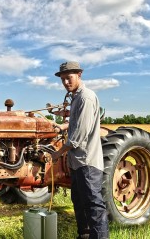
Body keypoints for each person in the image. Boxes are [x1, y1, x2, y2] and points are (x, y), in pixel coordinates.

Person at [52, 61, 109, 239]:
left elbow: (78, 136)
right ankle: (84, 236)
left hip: (87, 162)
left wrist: (57, 154)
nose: (66, 83)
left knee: (93, 205)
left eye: (69, 78)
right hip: (77, 162)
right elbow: (76, 123)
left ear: (79, 75)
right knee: (79, 202)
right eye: (62, 80)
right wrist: (62, 127)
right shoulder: (76, 98)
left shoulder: (86, 97)